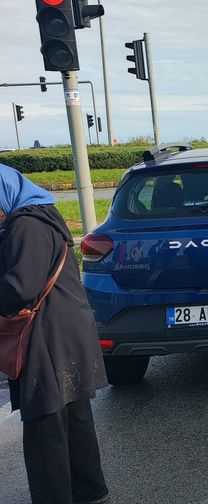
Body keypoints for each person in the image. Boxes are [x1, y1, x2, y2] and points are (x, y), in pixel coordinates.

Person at [0, 164, 110, 504]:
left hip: (47, 337)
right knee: (73, 417)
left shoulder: (26, 226)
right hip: (65, 330)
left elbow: (20, 287)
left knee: (44, 426)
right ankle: (91, 492)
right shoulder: (39, 216)